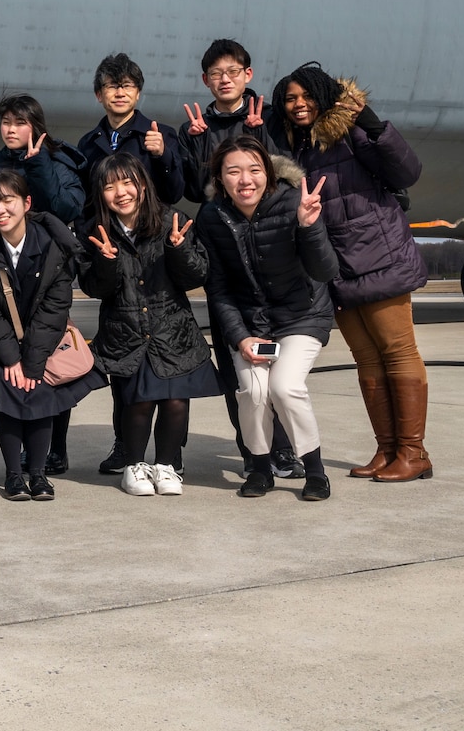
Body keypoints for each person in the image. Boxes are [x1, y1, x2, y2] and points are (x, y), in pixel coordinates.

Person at [272, 64, 433, 482]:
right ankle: (387, 449)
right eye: (290, 99)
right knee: (366, 358)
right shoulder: (298, 148)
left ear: (324, 96)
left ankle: (414, 453)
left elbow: (407, 172)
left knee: (397, 352)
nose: (298, 105)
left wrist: (372, 123)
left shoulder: (349, 131)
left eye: (306, 96)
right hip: (337, 264)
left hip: (378, 253)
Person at [196, 137, 338, 501]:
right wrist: (240, 337)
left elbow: (324, 270)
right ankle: (260, 468)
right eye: (234, 171)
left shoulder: (293, 202)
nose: (246, 180)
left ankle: (316, 470)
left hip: (301, 316)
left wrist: (309, 226)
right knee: (253, 392)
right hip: (251, 324)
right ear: (221, 179)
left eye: (255, 170)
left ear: (269, 174)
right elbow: (219, 289)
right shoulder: (211, 217)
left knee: (285, 387)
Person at [0, 170, 106, 500]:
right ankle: (13, 476)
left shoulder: (53, 245)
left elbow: (56, 305)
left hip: (43, 338)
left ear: (26, 203)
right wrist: (11, 357)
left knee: (40, 395)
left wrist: (33, 361)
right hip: (0, 338)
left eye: (7, 200)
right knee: (9, 397)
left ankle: (37, 474)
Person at [76, 155, 221, 497]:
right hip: (126, 330)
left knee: (175, 402)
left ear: (143, 184)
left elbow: (197, 274)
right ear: (101, 193)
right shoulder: (94, 230)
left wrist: (179, 250)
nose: (120, 192)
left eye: (128, 183)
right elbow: (94, 288)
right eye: (110, 186)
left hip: (173, 329)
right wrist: (105, 262)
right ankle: (134, 466)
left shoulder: (173, 219)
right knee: (137, 401)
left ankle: (167, 466)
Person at [75, 54, 186, 205]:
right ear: (99, 95)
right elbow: (83, 198)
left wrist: (162, 155)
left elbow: (174, 195)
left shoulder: (163, 135)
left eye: (127, 85)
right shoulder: (87, 143)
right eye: (112, 86)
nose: (120, 93)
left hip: (149, 226)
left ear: (138, 93)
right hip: (103, 227)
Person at [178, 39, 266, 204]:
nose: (225, 79)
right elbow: (196, 193)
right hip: (215, 221)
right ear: (206, 80)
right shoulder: (192, 129)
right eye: (216, 74)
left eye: (233, 71)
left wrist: (258, 134)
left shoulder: (266, 119)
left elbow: (277, 178)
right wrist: (199, 142)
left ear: (248, 74)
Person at [0, 95, 85, 225]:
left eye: (20, 123)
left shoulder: (56, 161)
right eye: (6, 122)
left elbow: (67, 211)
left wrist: (39, 164)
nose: (11, 130)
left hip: (44, 242)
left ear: (35, 127)